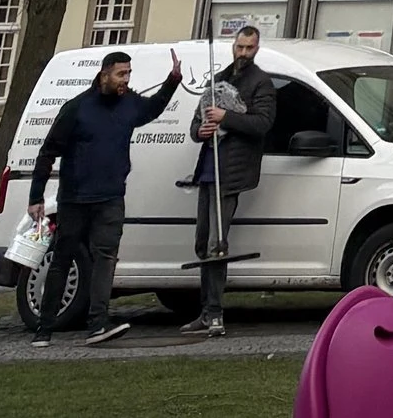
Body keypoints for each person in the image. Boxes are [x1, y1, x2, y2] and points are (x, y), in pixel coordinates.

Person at [26, 41, 184, 347]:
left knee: (106, 258)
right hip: (75, 198)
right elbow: (47, 153)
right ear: (104, 76)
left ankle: (97, 324)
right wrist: (36, 197)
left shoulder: (129, 104)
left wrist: (172, 81)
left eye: (128, 74)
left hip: (111, 197)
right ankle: (45, 327)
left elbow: (152, 110)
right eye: (120, 74)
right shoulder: (76, 109)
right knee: (62, 258)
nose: (125, 80)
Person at [182, 23, 277, 336]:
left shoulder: (261, 83)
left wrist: (228, 119)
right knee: (202, 242)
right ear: (233, 46)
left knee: (216, 244)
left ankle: (214, 312)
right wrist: (202, 130)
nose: (243, 53)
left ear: (257, 49)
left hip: (232, 172)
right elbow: (196, 124)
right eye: (239, 47)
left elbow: (263, 123)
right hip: (208, 170)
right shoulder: (219, 79)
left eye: (249, 48)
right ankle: (205, 311)